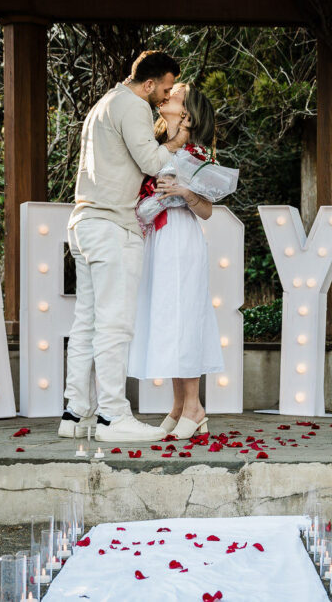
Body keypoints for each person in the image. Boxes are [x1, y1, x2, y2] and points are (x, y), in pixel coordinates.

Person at [59, 51, 189, 443]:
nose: (166, 97)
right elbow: (152, 162)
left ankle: (75, 413)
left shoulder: (105, 104)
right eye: (165, 89)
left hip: (83, 222)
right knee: (115, 326)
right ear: (148, 84)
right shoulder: (132, 105)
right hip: (112, 226)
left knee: (86, 324)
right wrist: (178, 137)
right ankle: (113, 416)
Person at [128, 83, 225, 440]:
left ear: (187, 112)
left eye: (176, 94)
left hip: (181, 238)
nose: (166, 96)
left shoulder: (195, 153)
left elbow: (207, 211)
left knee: (184, 316)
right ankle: (179, 406)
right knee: (167, 318)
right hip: (156, 238)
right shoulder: (153, 148)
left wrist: (185, 192)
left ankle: (195, 406)